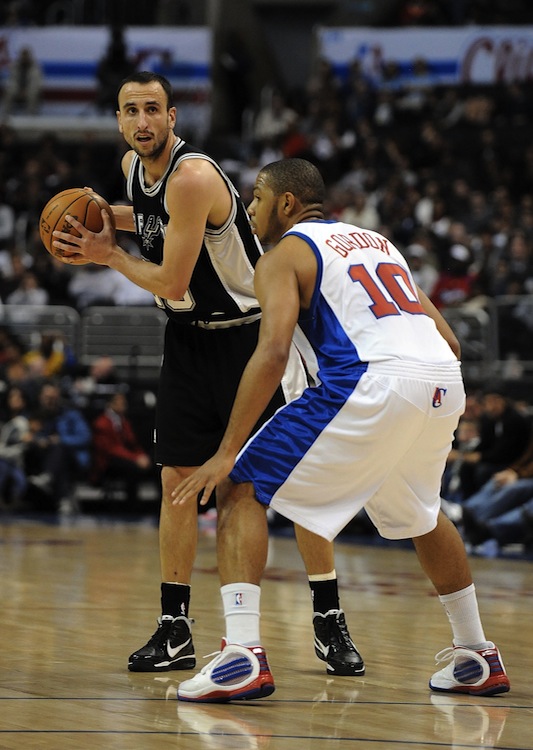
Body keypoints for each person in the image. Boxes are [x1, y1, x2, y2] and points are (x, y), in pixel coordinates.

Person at [51, 73, 363, 678]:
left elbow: (170, 279)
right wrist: (101, 221)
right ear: (119, 120)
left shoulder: (193, 176)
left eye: (152, 110)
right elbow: (148, 217)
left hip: (250, 340)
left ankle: (328, 617)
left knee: (262, 488)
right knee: (177, 484)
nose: (141, 122)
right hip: (187, 342)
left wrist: (107, 254)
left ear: (173, 117)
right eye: (130, 111)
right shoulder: (134, 168)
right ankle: (175, 629)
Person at [171, 158, 510, 702]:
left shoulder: (284, 254)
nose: (250, 208)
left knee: (239, 485)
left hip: (371, 379)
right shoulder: (378, 243)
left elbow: (273, 348)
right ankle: (477, 653)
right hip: (441, 381)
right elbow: (448, 340)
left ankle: (241, 656)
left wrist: (227, 449)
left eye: (256, 198)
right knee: (423, 514)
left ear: (286, 203)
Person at [90, 391, 155, 503]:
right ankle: (131, 504)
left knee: (155, 465)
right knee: (132, 468)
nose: (124, 404)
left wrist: (141, 455)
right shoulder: (101, 423)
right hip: (107, 462)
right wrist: (135, 458)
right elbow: (111, 449)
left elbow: (132, 443)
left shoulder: (124, 421)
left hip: (125, 456)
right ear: (111, 404)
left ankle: (158, 505)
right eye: (121, 402)